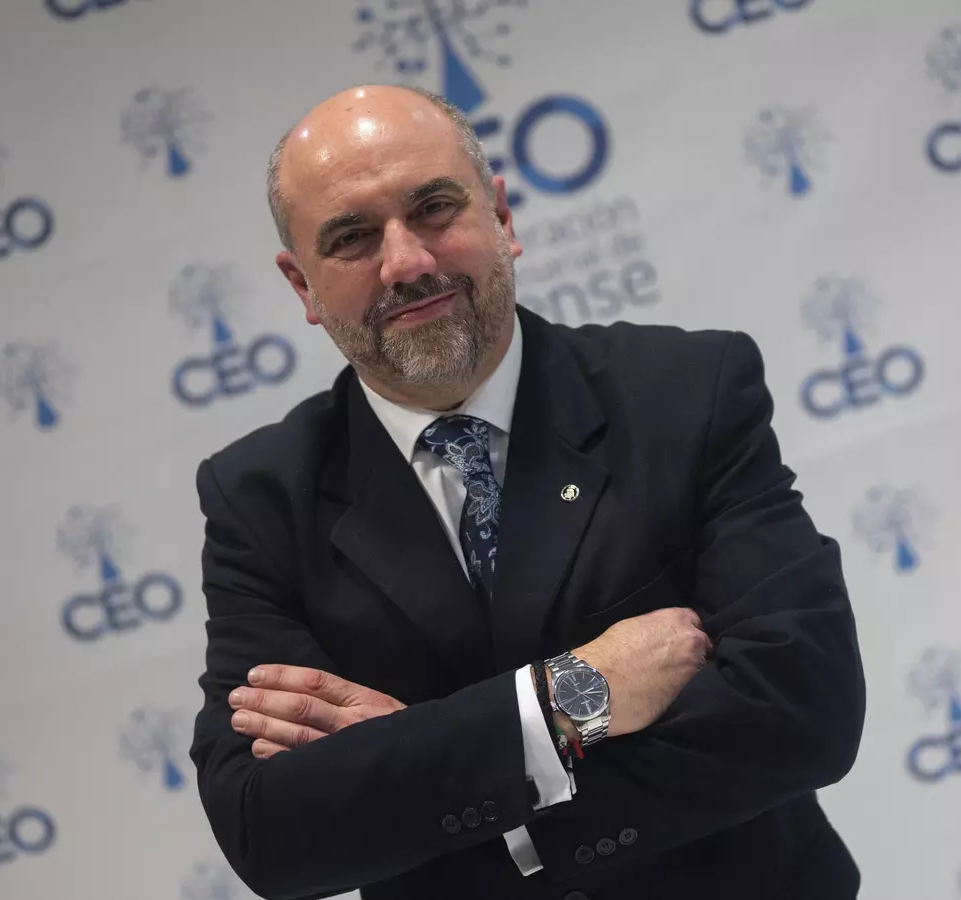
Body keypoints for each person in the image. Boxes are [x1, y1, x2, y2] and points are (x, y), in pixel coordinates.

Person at [189, 83, 866, 900]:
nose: (406, 263)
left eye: (434, 208)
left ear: (502, 219)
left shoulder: (687, 392)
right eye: (352, 238)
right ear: (302, 286)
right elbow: (269, 829)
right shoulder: (261, 499)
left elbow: (804, 707)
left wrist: (438, 781)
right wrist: (567, 700)